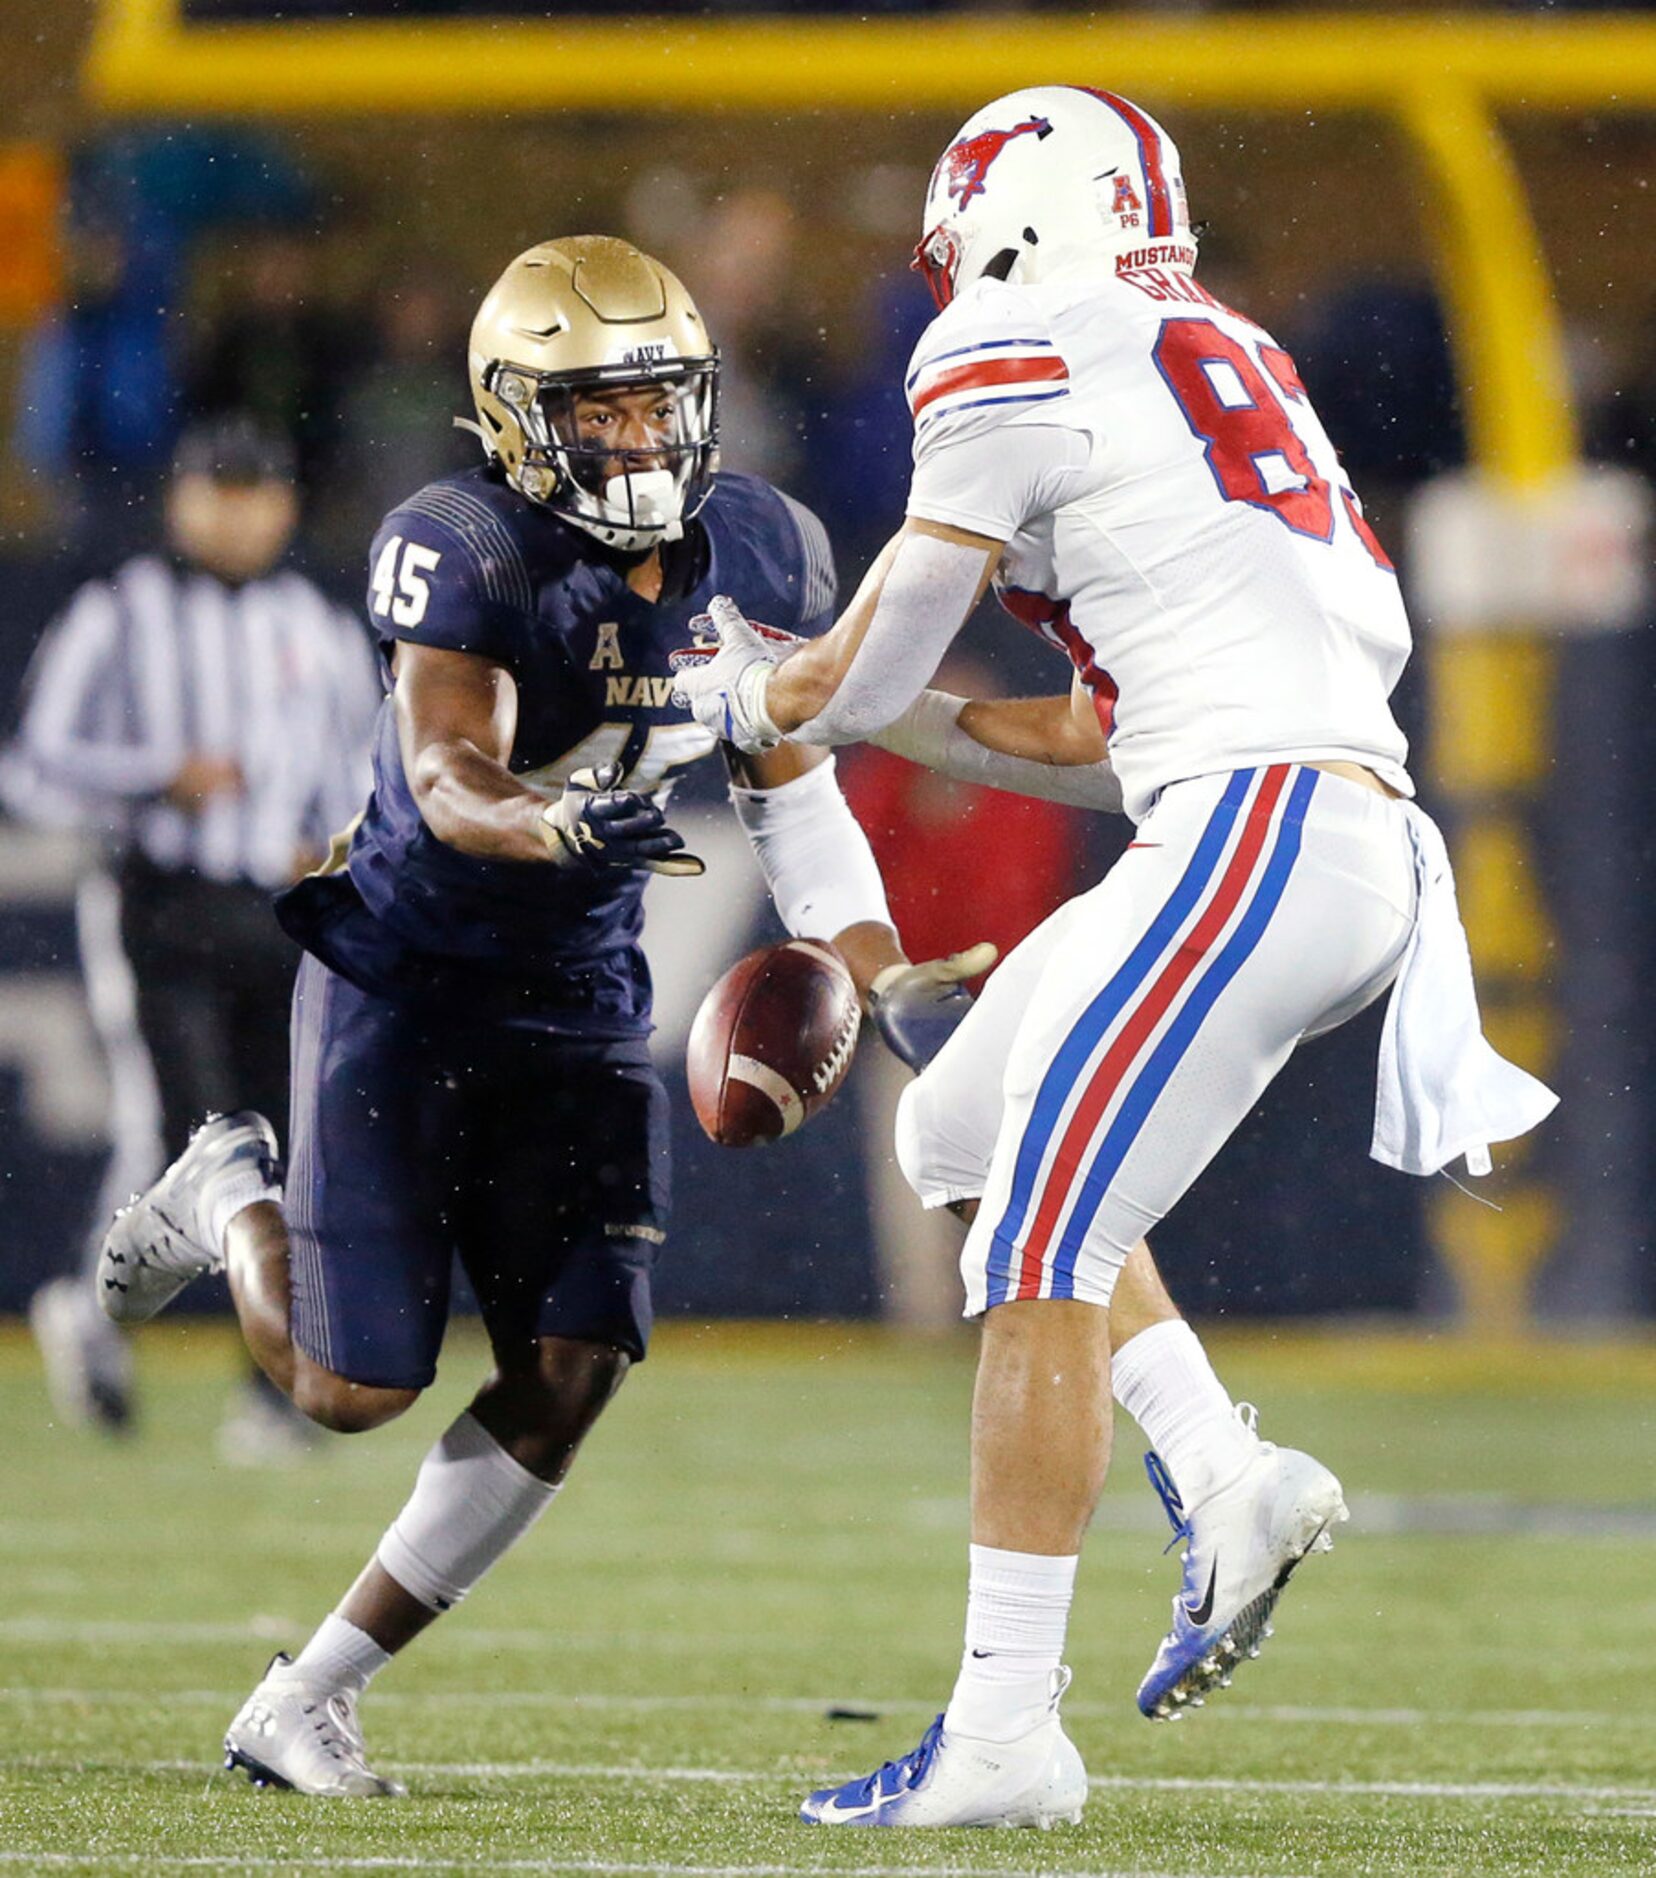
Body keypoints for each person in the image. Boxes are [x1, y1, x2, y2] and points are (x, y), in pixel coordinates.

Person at [670, 87, 1558, 1828]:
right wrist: (863, 710)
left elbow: (847, 676)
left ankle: (1006, 1732)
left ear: (1005, 217)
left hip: (1255, 831)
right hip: (1304, 823)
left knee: (1044, 1241)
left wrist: (733, 689)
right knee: (954, 1138)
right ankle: (1225, 1471)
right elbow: (1084, 722)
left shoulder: (1014, 337)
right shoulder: (1214, 347)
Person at [93, 236, 995, 1798]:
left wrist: (874, 964)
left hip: (579, 992)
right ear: (518, 417)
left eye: (659, 407)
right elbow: (447, 771)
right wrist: (550, 822)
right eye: (601, 413)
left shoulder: (766, 547)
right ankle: (225, 1187)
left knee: (576, 1357)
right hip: (409, 970)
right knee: (346, 1388)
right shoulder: (465, 542)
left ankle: (310, 1690)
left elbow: (792, 791)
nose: (640, 441)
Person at [3, 413, 380, 1457]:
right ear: (183, 498)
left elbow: (365, 769)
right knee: (197, 1141)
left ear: (286, 503)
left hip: (279, 911)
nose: (239, 510)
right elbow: (34, 764)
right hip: (162, 903)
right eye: (220, 488)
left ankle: (254, 1381)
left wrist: (335, 847)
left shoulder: (318, 623)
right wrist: (155, 772)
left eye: (257, 490)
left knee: (290, 1151)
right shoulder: (119, 615)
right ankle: (119, 1318)